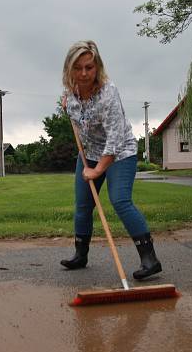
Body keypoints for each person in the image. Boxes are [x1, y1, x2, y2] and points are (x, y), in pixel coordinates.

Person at [59, 40, 162, 281]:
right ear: (69, 69)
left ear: (98, 68)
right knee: (83, 206)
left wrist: (97, 171)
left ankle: (150, 259)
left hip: (120, 153)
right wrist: (67, 105)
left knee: (120, 200)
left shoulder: (108, 93)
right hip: (89, 154)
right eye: (78, 68)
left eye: (89, 67)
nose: (84, 73)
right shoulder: (70, 94)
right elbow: (77, 116)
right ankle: (80, 255)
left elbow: (115, 139)